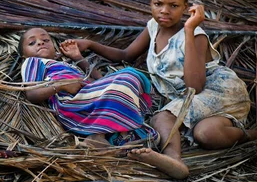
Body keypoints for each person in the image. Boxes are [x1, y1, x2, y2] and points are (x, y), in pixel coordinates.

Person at [68, 0, 257, 180]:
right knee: (206, 135)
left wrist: (189, 29)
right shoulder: (153, 26)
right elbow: (126, 55)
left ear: (186, 7)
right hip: (189, 99)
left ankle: (174, 159)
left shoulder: (195, 37)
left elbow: (194, 86)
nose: (164, 11)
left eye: (174, 6)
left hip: (217, 91)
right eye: (158, 3)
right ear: (150, 3)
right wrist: (90, 45)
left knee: (161, 117)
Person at [19, 27, 158, 149]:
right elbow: (31, 94)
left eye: (46, 40)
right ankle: (98, 136)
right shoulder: (33, 62)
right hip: (73, 104)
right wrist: (60, 85)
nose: (40, 42)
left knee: (150, 135)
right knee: (128, 75)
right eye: (32, 43)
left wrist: (77, 57)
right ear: (24, 55)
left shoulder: (66, 65)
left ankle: (108, 140)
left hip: (91, 98)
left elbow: (101, 81)